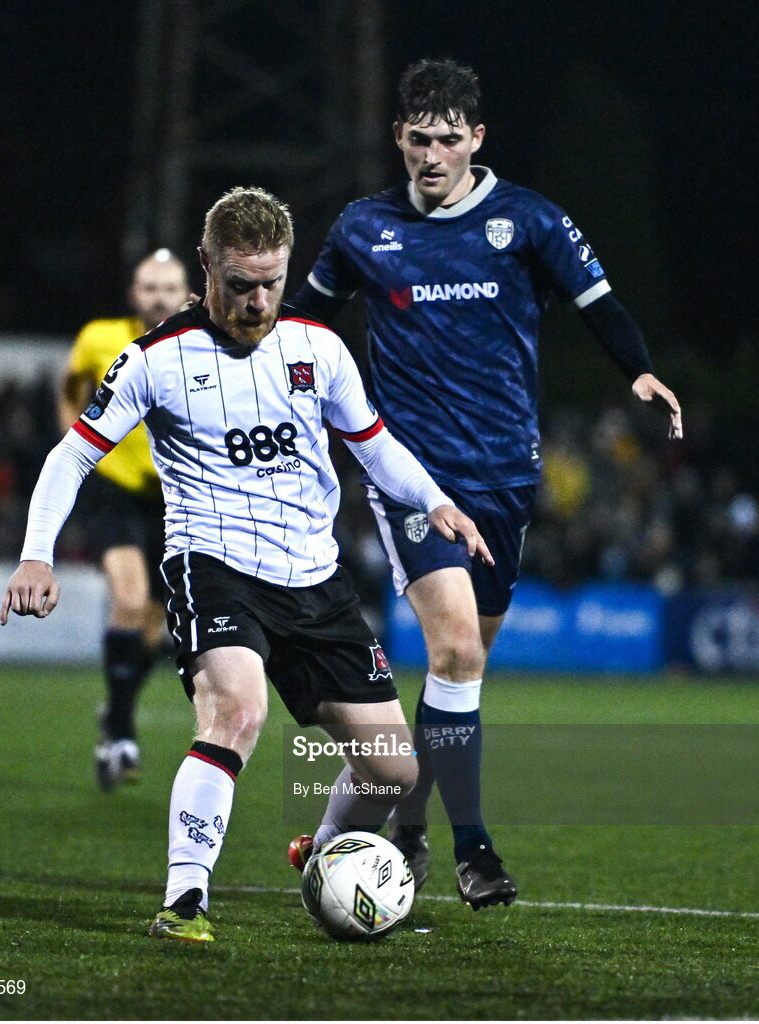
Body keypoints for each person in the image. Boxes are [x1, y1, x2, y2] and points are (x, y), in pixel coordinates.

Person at [0, 186, 490, 943]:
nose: (257, 301)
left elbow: (373, 443)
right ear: (206, 267)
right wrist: (36, 556)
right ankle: (185, 898)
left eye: (271, 282)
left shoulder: (317, 348)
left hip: (314, 579)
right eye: (239, 285)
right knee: (236, 710)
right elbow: (71, 457)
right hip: (214, 563)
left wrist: (435, 503)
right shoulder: (154, 360)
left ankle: (323, 854)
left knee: (393, 772)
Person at [291, 58, 683, 911]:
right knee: (456, 650)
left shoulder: (527, 219)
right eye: (416, 140)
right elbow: (301, 324)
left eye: (446, 141)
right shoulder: (362, 228)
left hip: (505, 477)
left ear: (475, 138)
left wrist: (638, 374)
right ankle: (473, 850)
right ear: (398, 137)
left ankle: (382, 832)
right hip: (411, 479)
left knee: (457, 679)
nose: (430, 156)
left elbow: (598, 301)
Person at [58, 249, 191, 791]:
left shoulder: (200, 342)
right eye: (149, 287)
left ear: (186, 292)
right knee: (130, 600)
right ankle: (119, 729)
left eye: (168, 288)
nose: (158, 297)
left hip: (175, 497)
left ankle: (116, 717)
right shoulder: (98, 337)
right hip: (113, 488)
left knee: (158, 626)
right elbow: (69, 390)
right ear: (135, 294)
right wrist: (76, 449)